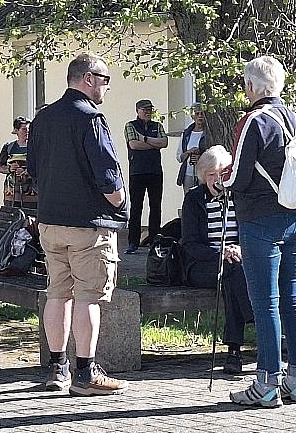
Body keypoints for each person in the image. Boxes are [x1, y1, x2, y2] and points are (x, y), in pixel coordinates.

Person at [27, 52, 129, 396]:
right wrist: (121, 203)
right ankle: (86, 372)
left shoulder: (42, 119)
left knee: (57, 293)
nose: (106, 86)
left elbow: (33, 170)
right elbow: (109, 176)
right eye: (104, 79)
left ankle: (57, 369)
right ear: (87, 78)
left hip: (51, 222)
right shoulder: (91, 119)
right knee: (88, 297)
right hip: (89, 225)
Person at [223, 55, 296, 408]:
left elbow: (239, 176)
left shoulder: (253, 121)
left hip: (260, 219)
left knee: (265, 302)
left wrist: (222, 184)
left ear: (251, 87)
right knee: (292, 298)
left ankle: (266, 383)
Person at [180, 146, 254, 375]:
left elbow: (249, 232)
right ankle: (253, 323)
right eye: (211, 174)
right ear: (203, 176)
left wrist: (238, 248)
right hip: (201, 265)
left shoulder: (238, 197)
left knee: (233, 276)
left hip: (237, 262)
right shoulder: (194, 199)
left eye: (221, 174)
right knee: (234, 272)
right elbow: (190, 244)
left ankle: (234, 352)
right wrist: (221, 252)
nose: (216, 179)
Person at [123, 99, 169, 254]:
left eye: (150, 110)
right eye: (145, 110)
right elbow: (133, 145)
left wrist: (144, 139)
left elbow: (164, 142)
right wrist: (152, 144)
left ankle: (154, 241)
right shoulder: (130, 125)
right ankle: (132, 242)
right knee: (136, 207)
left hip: (155, 171)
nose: (148, 112)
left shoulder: (157, 126)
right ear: (138, 110)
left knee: (155, 207)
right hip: (137, 171)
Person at [0, 116, 37, 212]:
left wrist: (28, 171)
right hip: (12, 193)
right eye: (24, 129)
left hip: (31, 192)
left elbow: (41, 165)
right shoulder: (8, 147)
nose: (27, 132)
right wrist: (10, 169)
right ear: (16, 131)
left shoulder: (36, 147)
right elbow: (0, 167)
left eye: (29, 129)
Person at [176, 103, 207, 191]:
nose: (200, 116)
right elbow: (179, 157)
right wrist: (189, 152)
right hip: (188, 174)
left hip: (204, 173)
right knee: (189, 199)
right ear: (193, 116)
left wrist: (200, 157)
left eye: (202, 113)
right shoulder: (186, 133)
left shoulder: (209, 134)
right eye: (197, 114)